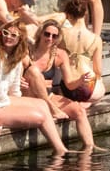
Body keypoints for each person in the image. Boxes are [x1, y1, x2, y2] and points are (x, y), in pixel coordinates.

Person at [0, 19, 69, 156]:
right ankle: (60, 153)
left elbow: (14, 90)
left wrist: (21, 108)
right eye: (5, 33)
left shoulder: (16, 59)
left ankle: (61, 149)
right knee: (40, 117)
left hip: (3, 99)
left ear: (20, 39)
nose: (8, 37)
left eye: (14, 35)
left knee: (42, 103)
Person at [28, 17, 97, 150]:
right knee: (33, 72)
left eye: (54, 36)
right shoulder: (27, 51)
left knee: (79, 111)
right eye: (47, 34)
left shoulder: (60, 55)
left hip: (49, 96)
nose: (50, 38)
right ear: (40, 33)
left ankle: (90, 149)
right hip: (29, 96)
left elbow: (70, 83)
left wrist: (80, 80)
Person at [56, 0, 104, 103]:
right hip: (90, 88)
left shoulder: (62, 34)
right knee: (99, 87)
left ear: (68, 15)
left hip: (69, 86)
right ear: (85, 13)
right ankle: (87, 103)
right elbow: (98, 71)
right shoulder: (96, 39)